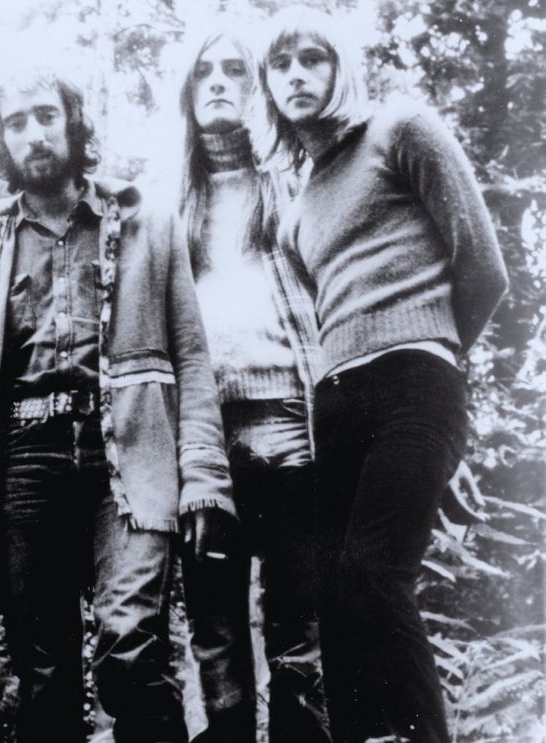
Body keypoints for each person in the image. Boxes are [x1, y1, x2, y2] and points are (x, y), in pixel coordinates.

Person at [0, 70, 236, 743]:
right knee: (43, 675)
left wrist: (204, 477)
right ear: (2, 140)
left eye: (45, 115)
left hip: (123, 455)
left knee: (131, 647)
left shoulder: (148, 226)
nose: (33, 133)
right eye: (16, 122)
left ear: (72, 123)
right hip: (22, 464)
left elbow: (191, 358)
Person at [260, 8, 508, 742]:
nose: (296, 74)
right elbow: (326, 315)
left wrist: (433, 357)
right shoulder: (296, 205)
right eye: (281, 64)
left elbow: (485, 270)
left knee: (373, 573)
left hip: (415, 382)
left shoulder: (399, 127)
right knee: (334, 600)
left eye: (312, 58)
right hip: (334, 401)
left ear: (339, 68)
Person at [171, 28, 330, 743]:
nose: (218, 82)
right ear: (185, 93)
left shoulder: (300, 184)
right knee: (216, 636)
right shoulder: (167, 208)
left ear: (258, 87)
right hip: (202, 439)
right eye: (203, 71)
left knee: (298, 631)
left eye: (235, 69)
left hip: (292, 425)